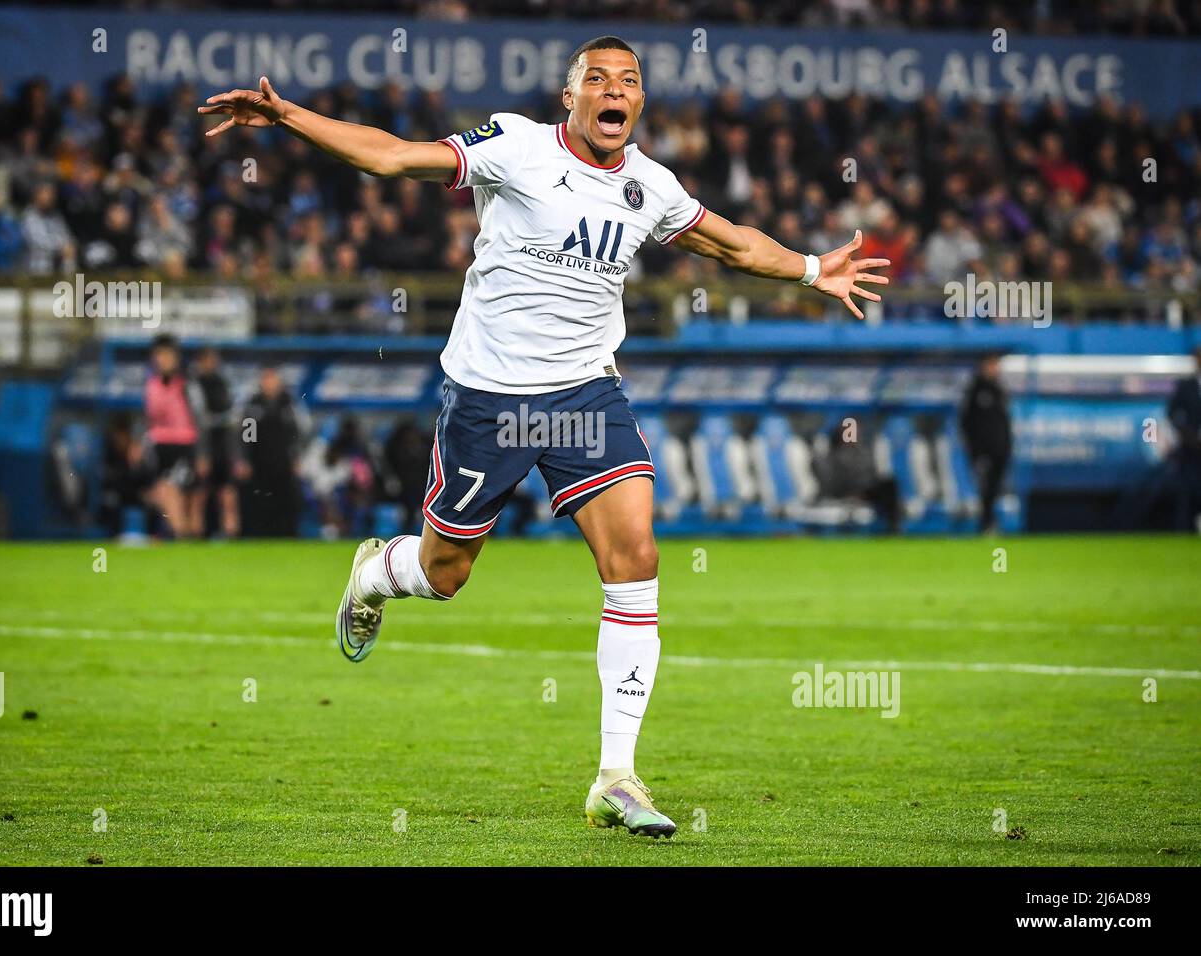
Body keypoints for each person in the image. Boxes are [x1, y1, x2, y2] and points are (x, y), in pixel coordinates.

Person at [200, 36, 890, 838]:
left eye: (628, 81)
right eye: (596, 79)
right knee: (444, 572)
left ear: (639, 103)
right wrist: (287, 116)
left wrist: (813, 269)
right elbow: (391, 158)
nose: (613, 90)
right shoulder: (516, 147)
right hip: (488, 400)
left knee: (636, 557)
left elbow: (733, 243)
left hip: (584, 398)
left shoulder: (649, 187)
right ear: (570, 98)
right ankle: (373, 575)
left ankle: (617, 777)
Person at [142, 334, 204, 539]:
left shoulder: (187, 382)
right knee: (163, 491)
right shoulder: (152, 384)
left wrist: (203, 452)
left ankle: (183, 534)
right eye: (158, 355)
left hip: (184, 445)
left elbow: (200, 416)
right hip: (160, 446)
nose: (162, 359)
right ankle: (181, 533)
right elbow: (149, 417)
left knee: (174, 489)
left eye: (167, 355)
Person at [238, 365, 308, 537]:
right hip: (259, 464)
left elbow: (301, 432)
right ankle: (260, 537)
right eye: (266, 379)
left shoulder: (289, 405)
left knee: (286, 503)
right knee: (259, 503)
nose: (269, 383)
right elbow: (247, 436)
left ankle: (288, 536)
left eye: (272, 379)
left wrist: (297, 456)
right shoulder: (254, 406)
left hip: (284, 464)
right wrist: (244, 459)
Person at [959, 353, 1012, 534]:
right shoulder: (975, 389)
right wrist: (974, 447)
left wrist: (1006, 444)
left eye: (996, 365)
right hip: (982, 449)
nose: (994, 368)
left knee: (995, 486)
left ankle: (989, 521)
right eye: (991, 364)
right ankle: (986, 522)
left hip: (1000, 448)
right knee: (984, 486)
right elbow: (966, 420)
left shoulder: (999, 389)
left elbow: (1004, 421)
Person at [193, 348, 243, 539]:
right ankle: (193, 537)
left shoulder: (223, 383)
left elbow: (234, 419)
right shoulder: (193, 384)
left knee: (228, 494)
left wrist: (237, 456)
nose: (211, 364)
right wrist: (200, 453)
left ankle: (231, 535)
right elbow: (199, 419)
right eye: (208, 360)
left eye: (214, 360)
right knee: (199, 493)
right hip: (202, 444)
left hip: (223, 445)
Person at [1166, 346, 1201, 533]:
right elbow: (1171, 412)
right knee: (1188, 489)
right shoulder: (1186, 385)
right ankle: (1184, 530)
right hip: (1192, 447)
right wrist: (1187, 435)